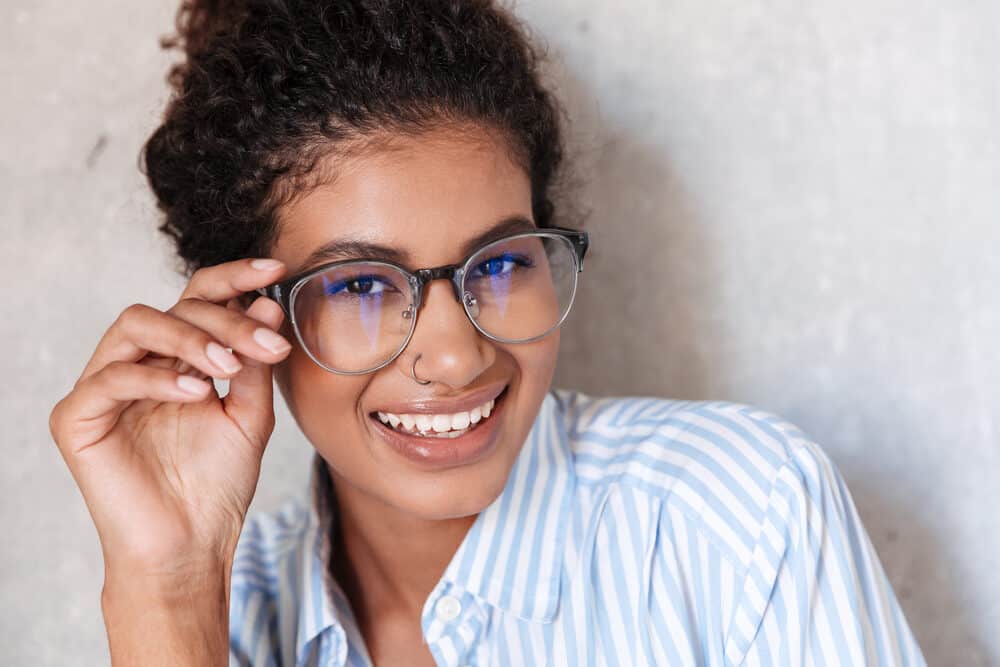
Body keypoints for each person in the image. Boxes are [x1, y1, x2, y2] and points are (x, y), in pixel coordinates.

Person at [48, 0, 926, 665]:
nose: (457, 355)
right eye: (359, 283)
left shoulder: (738, 519)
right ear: (247, 318)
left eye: (501, 266)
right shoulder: (219, 611)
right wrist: (164, 591)